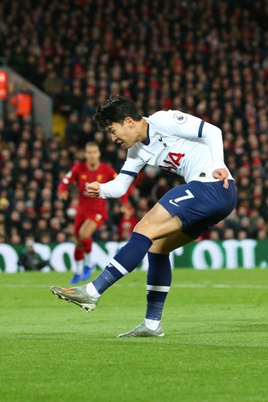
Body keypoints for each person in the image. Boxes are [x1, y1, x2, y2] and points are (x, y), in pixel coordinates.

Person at [51, 96, 236, 337]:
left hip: (212, 184)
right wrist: (102, 189)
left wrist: (219, 164)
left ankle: (93, 291)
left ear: (128, 121)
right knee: (157, 248)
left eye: (112, 130)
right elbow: (121, 186)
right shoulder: (136, 150)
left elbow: (212, 131)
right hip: (215, 197)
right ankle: (151, 324)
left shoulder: (163, 120)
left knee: (144, 227)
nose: (113, 138)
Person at [57, 142, 127, 284]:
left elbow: (120, 184)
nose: (92, 155)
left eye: (94, 152)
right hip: (81, 211)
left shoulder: (106, 170)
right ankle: (78, 271)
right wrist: (62, 190)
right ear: (85, 154)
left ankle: (89, 264)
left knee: (84, 234)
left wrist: (124, 204)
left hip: (98, 211)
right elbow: (65, 181)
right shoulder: (79, 168)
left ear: (99, 154)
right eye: (89, 152)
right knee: (77, 243)